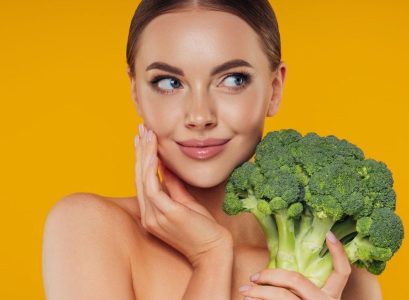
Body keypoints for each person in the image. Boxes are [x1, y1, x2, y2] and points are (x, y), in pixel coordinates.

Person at [42, 0, 383, 299]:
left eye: (233, 79)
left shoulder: (335, 259)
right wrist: (211, 257)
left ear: (275, 88)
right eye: (169, 83)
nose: (200, 116)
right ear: (136, 93)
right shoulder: (89, 228)